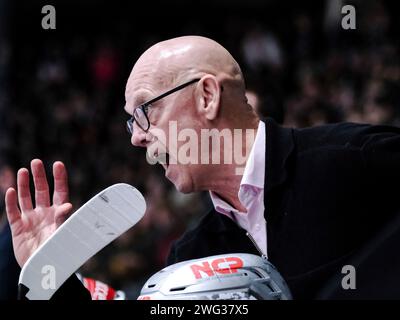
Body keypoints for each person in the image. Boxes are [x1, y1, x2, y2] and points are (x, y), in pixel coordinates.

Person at [5, 36, 400, 299]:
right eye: (131, 123)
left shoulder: (356, 160)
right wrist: (52, 274)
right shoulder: (192, 257)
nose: (136, 138)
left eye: (145, 111)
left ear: (207, 96)